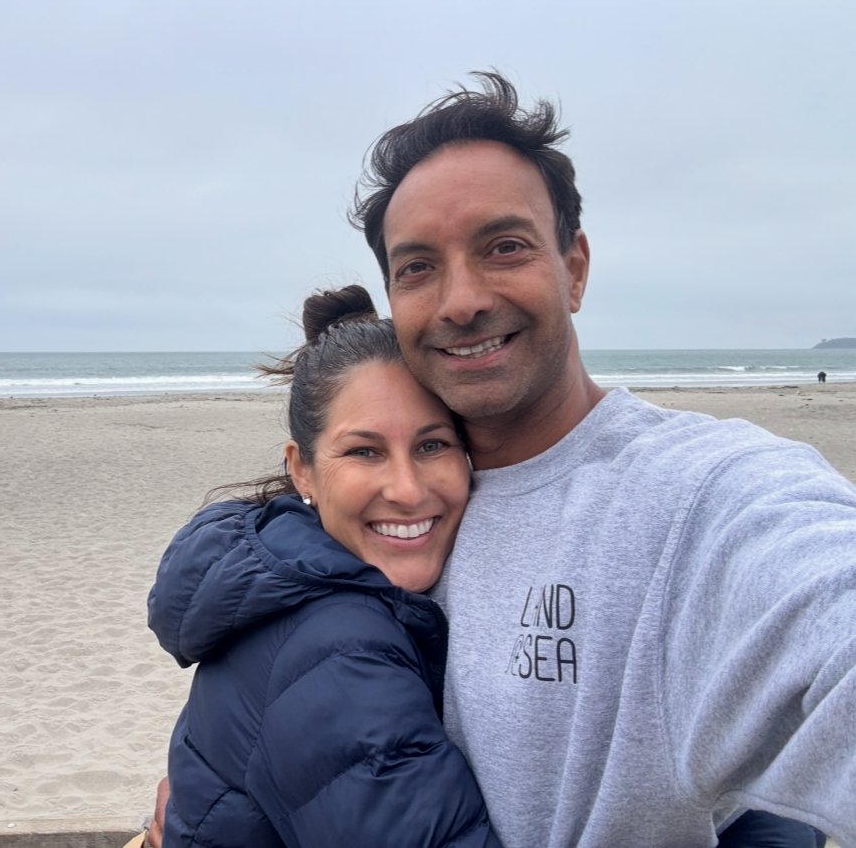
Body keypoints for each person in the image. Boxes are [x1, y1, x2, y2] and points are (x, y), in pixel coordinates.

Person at [344, 71, 853, 845]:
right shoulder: (392, 501)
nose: (460, 301)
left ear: (575, 268)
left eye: (504, 247)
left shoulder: (697, 496)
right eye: (418, 267)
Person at [147, 286, 501, 846]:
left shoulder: (287, 577)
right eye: (364, 451)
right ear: (302, 469)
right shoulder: (342, 647)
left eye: (432, 445)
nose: (407, 490)